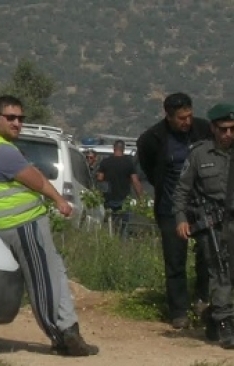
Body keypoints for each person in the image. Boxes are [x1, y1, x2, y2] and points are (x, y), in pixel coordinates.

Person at [0, 95, 98, 357]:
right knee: (44, 281)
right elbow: (36, 180)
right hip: (23, 224)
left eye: (20, 118)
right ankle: (63, 335)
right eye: (11, 118)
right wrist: (59, 200)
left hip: (4, 223)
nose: (17, 123)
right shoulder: (2, 151)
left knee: (53, 273)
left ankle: (67, 330)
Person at [136, 92, 212, 329]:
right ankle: (178, 311)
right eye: (181, 118)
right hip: (170, 208)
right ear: (168, 117)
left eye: (189, 116)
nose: (186, 122)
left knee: (208, 253)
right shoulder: (152, 138)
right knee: (175, 260)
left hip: (201, 206)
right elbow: (150, 169)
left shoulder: (204, 130)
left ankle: (204, 301)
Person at [173, 103, 234, 348]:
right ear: (213, 129)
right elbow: (181, 190)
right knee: (220, 272)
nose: (228, 135)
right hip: (213, 224)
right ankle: (224, 321)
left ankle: (211, 315)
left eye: (232, 129)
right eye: (223, 130)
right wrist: (180, 218)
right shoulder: (199, 154)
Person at [96, 140, 144, 238]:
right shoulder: (128, 163)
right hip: (124, 199)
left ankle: (110, 240)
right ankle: (123, 244)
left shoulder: (105, 162)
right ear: (123, 149)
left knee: (110, 223)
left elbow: (100, 178)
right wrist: (141, 198)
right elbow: (135, 181)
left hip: (109, 198)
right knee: (124, 225)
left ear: (114, 148)